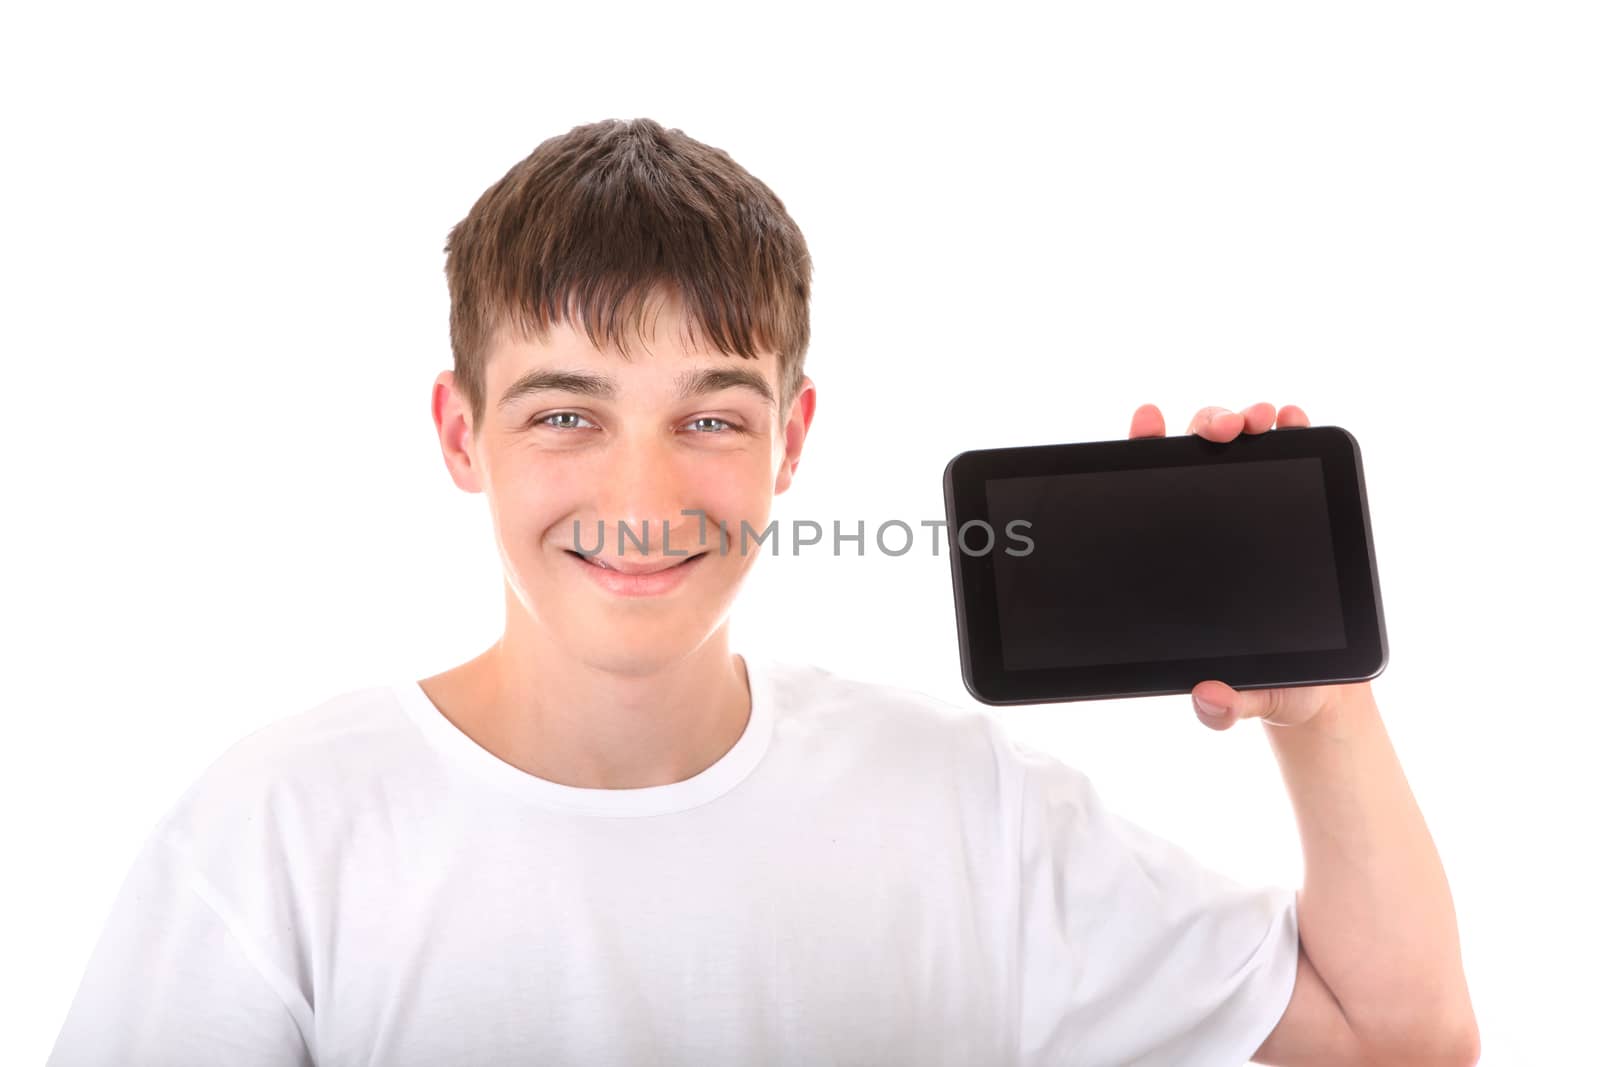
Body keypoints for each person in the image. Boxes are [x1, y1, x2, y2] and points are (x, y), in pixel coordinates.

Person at [48, 118, 1478, 1066]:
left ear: (792, 441)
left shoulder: (962, 806)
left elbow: (1396, 1038)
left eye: (713, 418)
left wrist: (1315, 695)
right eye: (565, 413)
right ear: (455, 432)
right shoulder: (277, 834)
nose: (645, 495)